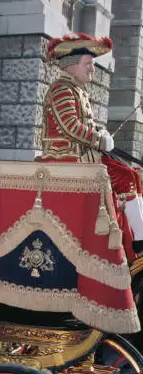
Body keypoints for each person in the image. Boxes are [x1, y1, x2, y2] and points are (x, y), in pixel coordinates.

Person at [41, 33, 143, 259]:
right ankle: (137, 241)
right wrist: (98, 139)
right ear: (72, 66)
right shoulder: (61, 90)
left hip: (84, 155)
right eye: (88, 64)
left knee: (133, 176)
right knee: (125, 177)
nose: (92, 70)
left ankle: (136, 236)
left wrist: (99, 132)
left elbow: (84, 125)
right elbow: (70, 126)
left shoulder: (77, 90)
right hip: (66, 157)